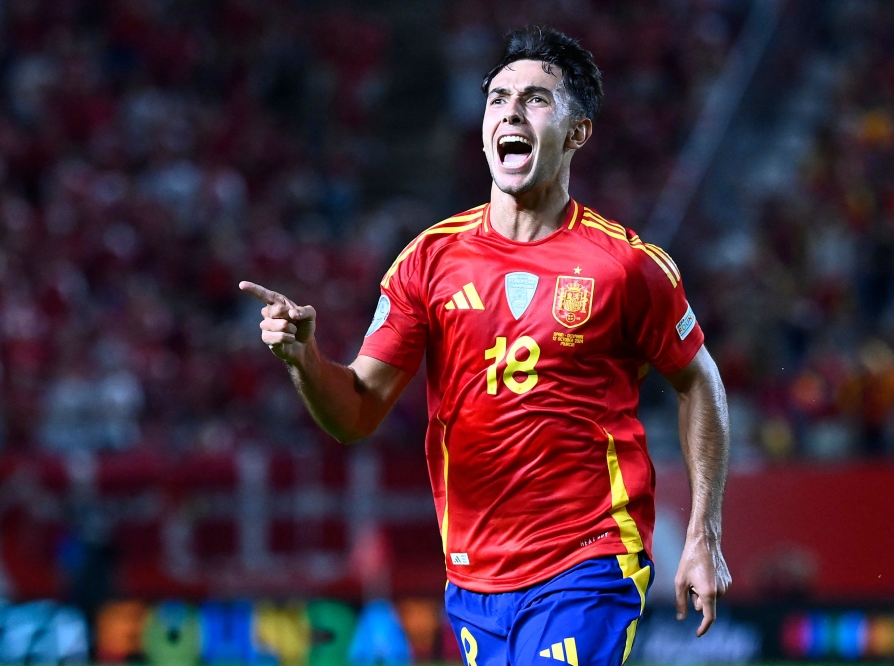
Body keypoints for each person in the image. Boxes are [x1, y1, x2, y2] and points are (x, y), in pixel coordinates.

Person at [240, 25, 731, 666]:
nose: (510, 112)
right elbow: (355, 414)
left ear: (577, 132)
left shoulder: (625, 267)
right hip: (473, 577)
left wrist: (703, 533)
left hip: (589, 557)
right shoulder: (429, 260)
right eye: (498, 98)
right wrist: (304, 360)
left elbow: (700, 381)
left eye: (535, 99)